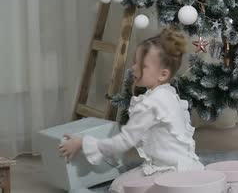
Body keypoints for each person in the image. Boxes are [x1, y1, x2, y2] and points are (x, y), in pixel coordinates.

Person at [58, 28, 203, 193]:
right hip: (186, 165)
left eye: (142, 65)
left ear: (162, 75)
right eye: (135, 62)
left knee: (119, 187)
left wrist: (84, 143)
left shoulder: (153, 104)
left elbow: (124, 141)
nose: (134, 68)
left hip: (172, 171)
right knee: (124, 182)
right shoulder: (167, 92)